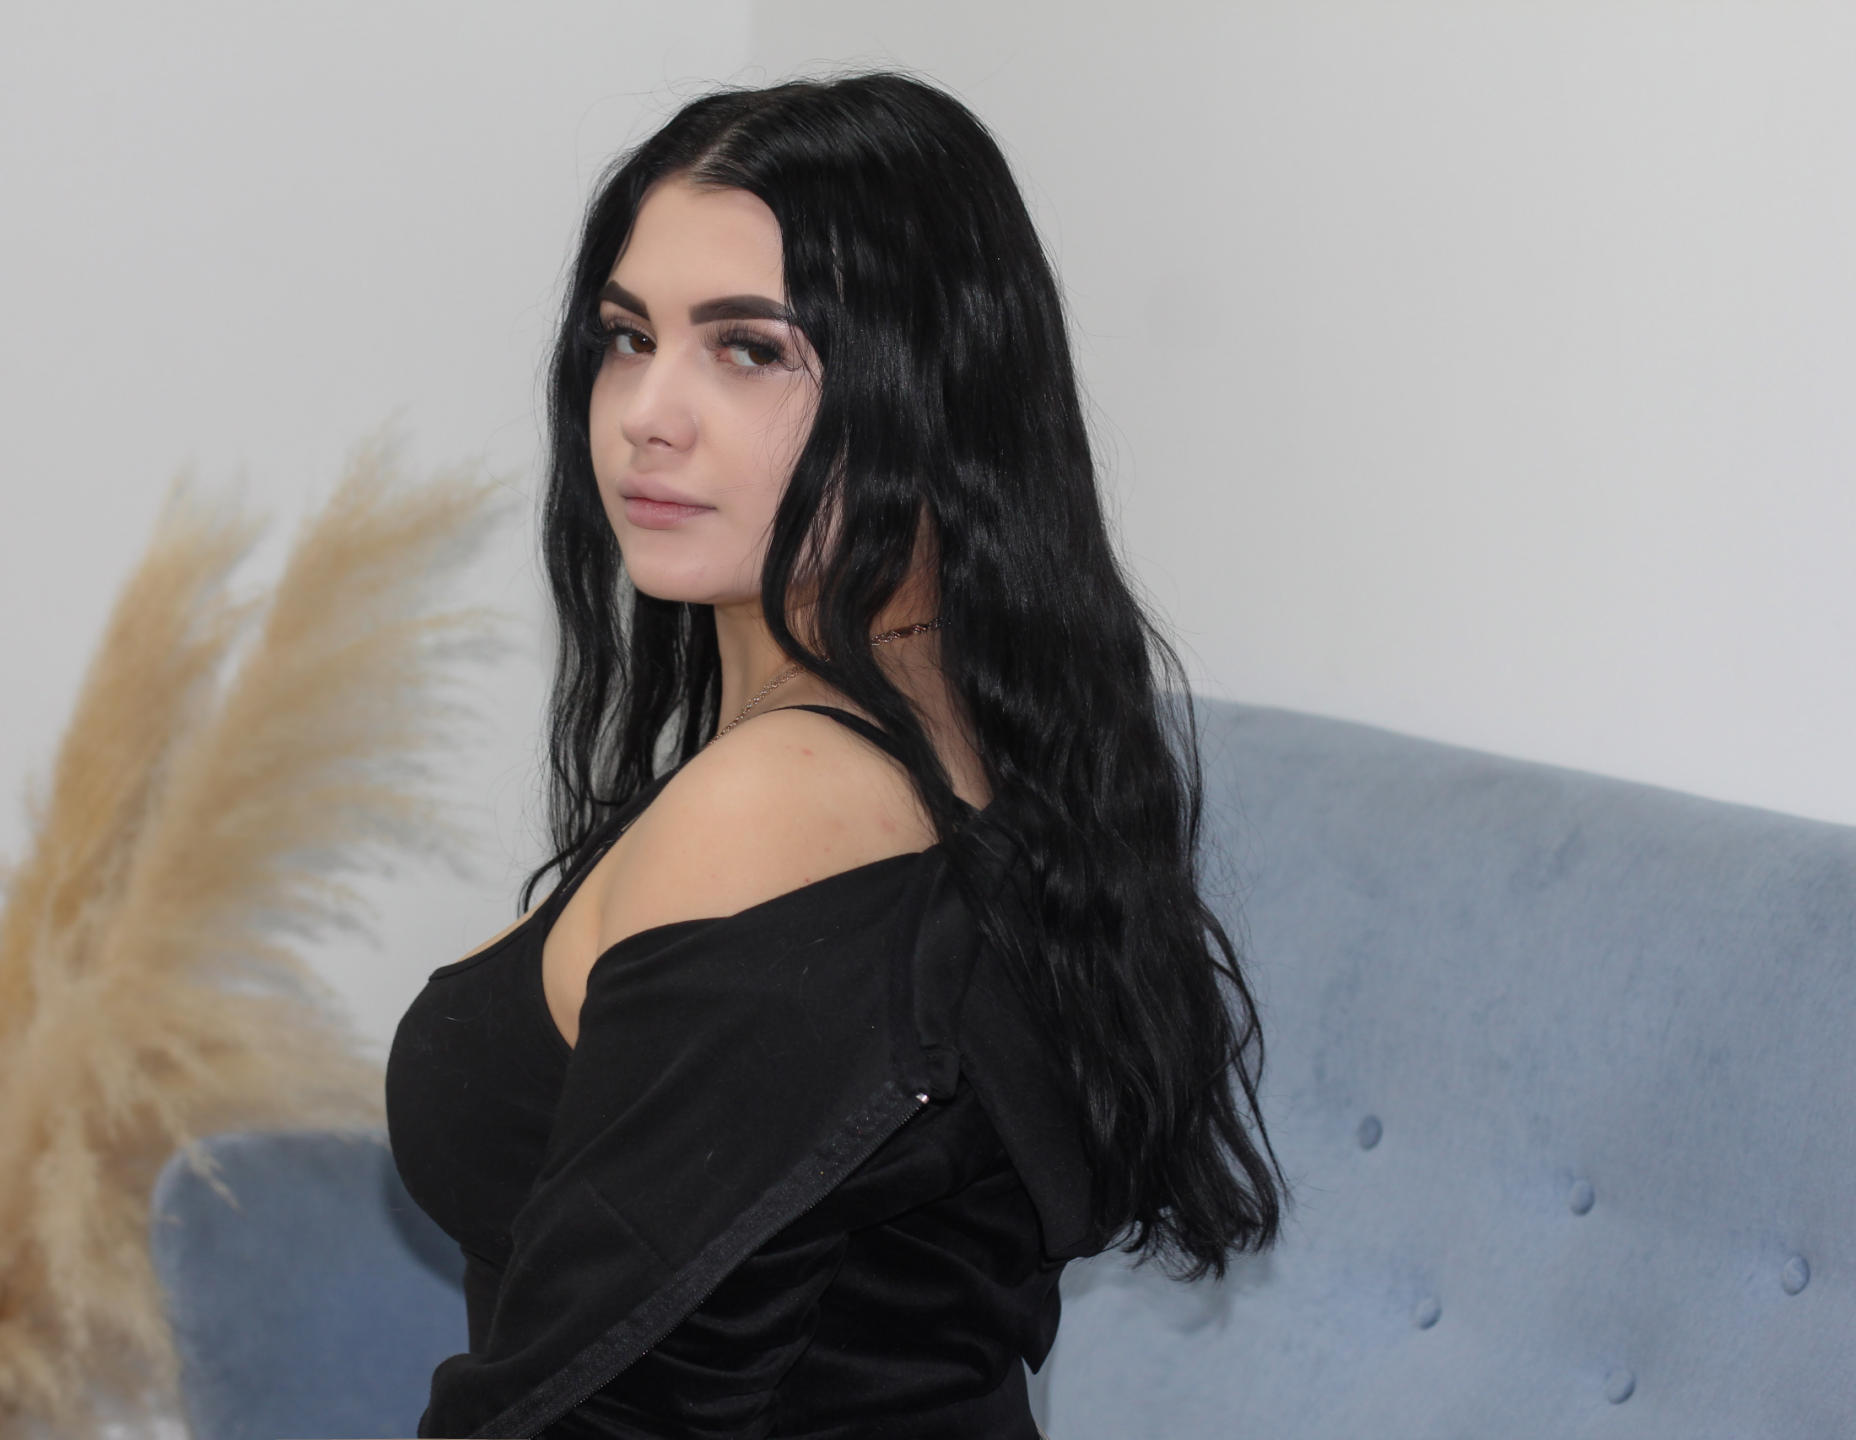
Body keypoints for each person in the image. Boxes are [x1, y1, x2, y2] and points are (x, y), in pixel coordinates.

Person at [385, 68, 1286, 1438]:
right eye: (627, 337)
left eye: (748, 349)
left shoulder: (780, 805)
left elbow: (613, 1412)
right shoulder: (975, 743)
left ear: (929, 392)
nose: (647, 412)